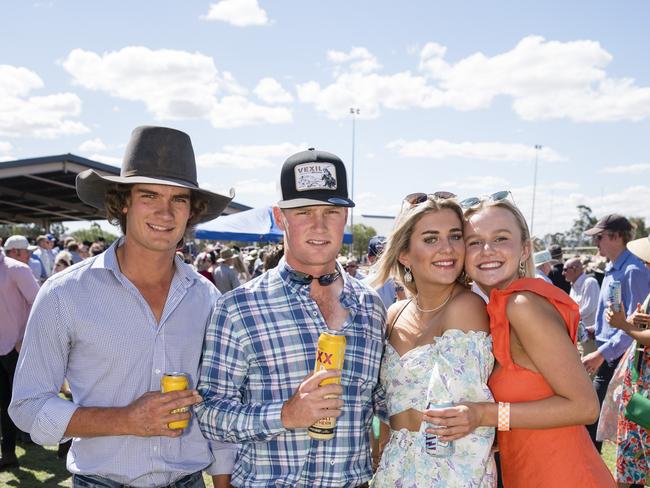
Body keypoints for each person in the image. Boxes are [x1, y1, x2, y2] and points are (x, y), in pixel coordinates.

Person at [9, 126, 237, 488]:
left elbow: (220, 403)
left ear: (191, 210)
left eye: (178, 199)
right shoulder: (64, 293)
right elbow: (27, 406)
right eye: (149, 195)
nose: (165, 212)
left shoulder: (206, 298)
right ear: (123, 201)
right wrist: (125, 420)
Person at [195, 148, 385, 487]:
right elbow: (208, 414)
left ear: (345, 218)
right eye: (304, 212)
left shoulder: (370, 307)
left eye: (331, 211)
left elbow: (382, 402)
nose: (319, 224)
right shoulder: (239, 308)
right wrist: (285, 415)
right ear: (280, 217)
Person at [424, 192, 614, 487]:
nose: (487, 250)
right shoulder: (497, 309)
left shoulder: (522, 305)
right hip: (528, 472)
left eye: (501, 238)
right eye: (475, 242)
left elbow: (585, 407)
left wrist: (485, 415)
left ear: (525, 249)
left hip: (564, 474)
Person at [369, 192, 496, 487]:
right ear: (404, 254)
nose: (447, 249)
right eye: (430, 239)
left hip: (449, 471)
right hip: (393, 468)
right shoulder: (394, 314)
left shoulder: (466, 307)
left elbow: (464, 419)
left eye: (455, 236)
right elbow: (386, 409)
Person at [582, 214, 650, 450]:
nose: (596, 243)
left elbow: (637, 324)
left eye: (599, 237)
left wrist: (601, 352)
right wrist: (595, 330)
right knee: (594, 422)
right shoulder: (614, 268)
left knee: (598, 422)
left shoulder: (633, 270)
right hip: (609, 355)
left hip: (619, 359)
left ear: (617, 237)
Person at [604, 234, 650, 487]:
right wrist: (634, 322)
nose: (645, 264)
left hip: (644, 391)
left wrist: (624, 325)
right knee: (631, 464)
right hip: (639, 391)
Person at [0, 239, 40, 470]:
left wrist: (24, 339)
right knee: (4, 403)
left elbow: (39, 304)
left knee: (26, 398)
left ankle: (14, 448)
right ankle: (8, 453)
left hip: (17, 348)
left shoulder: (17, 269)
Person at [563, 257, 600, 354]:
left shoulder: (590, 282)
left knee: (588, 367)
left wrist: (569, 318)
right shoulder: (573, 286)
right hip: (578, 336)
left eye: (565, 270)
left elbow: (589, 308)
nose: (563, 273)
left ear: (575, 269)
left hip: (590, 337)